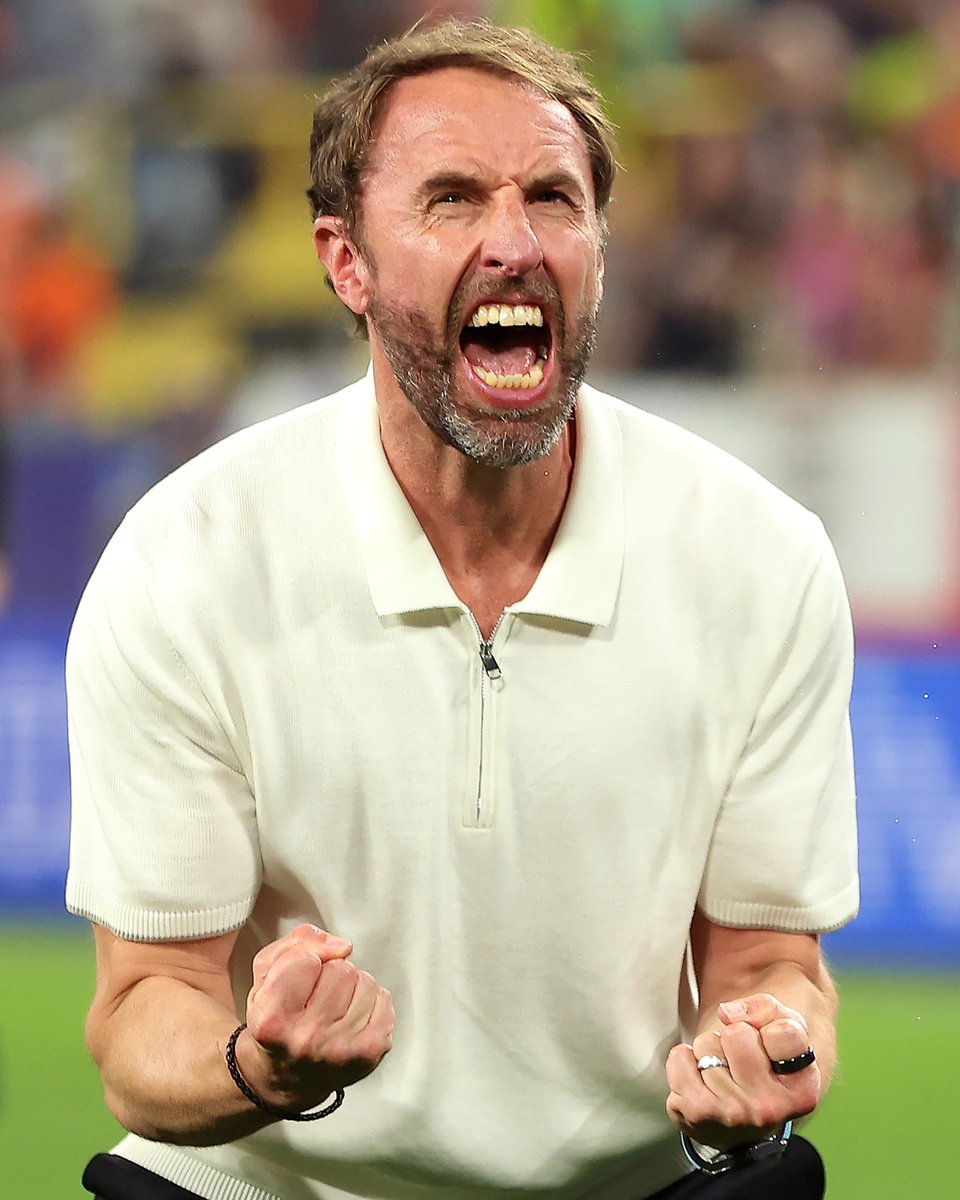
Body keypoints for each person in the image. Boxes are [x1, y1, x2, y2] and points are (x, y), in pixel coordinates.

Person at [65, 18, 859, 1200]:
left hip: (628, 1185)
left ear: (599, 243)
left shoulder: (762, 558)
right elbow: (144, 1016)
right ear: (347, 261)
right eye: (450, 200)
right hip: (271, 1182)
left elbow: (770, 968)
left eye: (552, 198)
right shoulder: (186, 562)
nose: (514, 242)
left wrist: (764, 1047)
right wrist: (258, 1061)